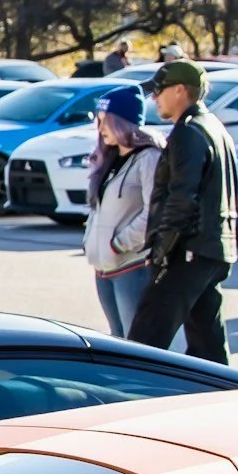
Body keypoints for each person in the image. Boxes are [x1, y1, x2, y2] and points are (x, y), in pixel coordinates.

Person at [128, 59, 238, 363]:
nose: (154, 98)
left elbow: (181, 196)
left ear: (180, 91)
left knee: (144, 342)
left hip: (187, 251)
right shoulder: (215, 128)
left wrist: (163, 250)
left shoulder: (189, 132)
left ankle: (126, 402)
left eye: (159, 90)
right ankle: (226, 400)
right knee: (208, 348)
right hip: (212, 250)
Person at [83, 86, 162, 336]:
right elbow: (97, 209)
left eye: (106, 121)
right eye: (99, 121)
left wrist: (119, 243)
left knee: (135, 340)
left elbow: (153, 212)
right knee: (116, 340)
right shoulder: (109, 158)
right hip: (103, 267)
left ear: (123, 122)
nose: (101, 128)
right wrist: (90, 241)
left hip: (131, 266)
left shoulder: (149, 157)